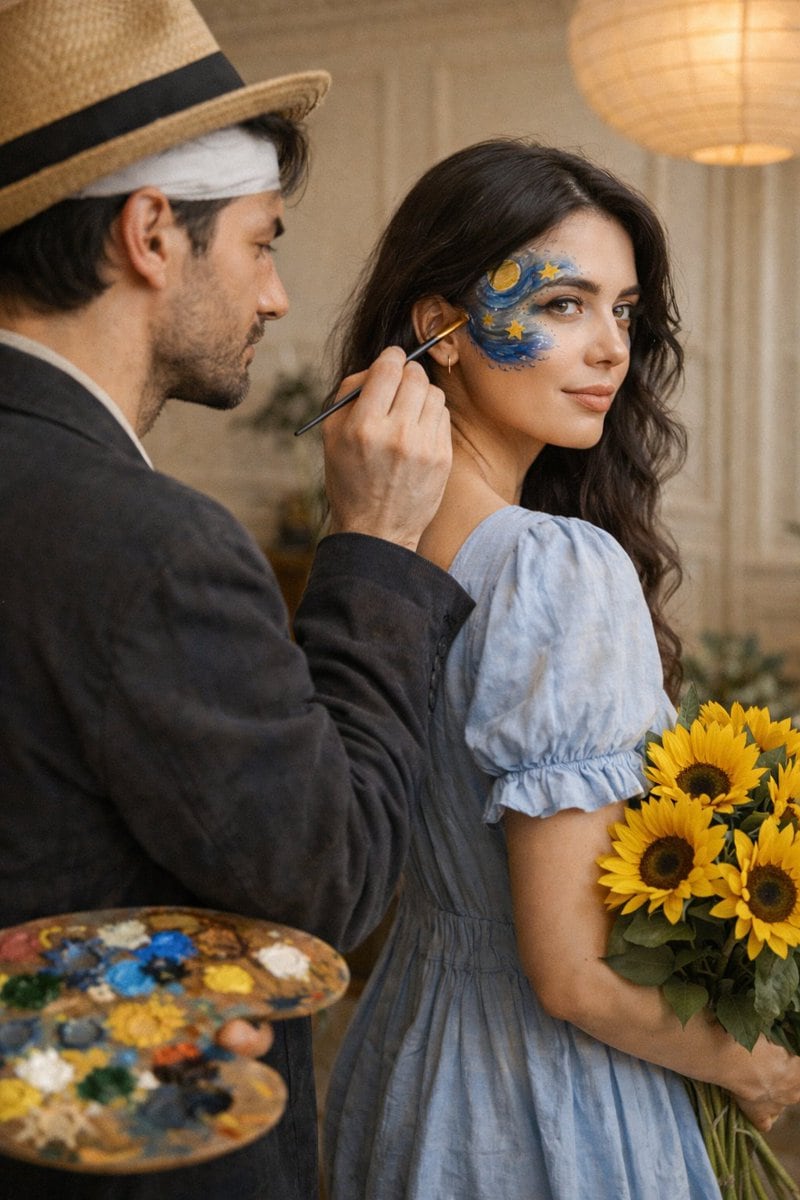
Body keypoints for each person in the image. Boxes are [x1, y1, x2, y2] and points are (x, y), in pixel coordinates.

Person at [0, 2, 474, 1198]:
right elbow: (331, 878)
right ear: (152, 232)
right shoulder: (152, 547)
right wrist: (372, 543)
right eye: (262, 242)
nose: (274, 297)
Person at [322, 138, 800, 1200]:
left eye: (622, 312)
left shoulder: (371, 547)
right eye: (560, 305)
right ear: (437, 328)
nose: (608, 350)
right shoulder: (554, 567)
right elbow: (572, 972)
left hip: (403, 1061)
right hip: (543, 1109)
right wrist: (754, 1063)